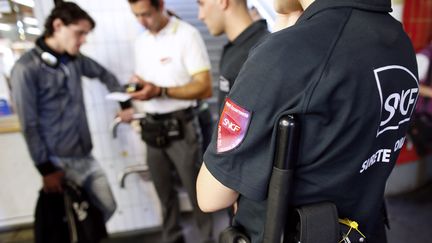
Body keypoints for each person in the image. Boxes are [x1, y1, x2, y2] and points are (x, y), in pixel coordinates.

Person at [196, 0, 419, 242]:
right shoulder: (398, 41)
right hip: (364, 230)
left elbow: (210, 196)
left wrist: (276, 46)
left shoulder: (290, 53)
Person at [10, 2, 132, 223]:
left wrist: (124, 105)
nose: (84, 40)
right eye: (79, 33)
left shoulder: (74, 60)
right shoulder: (26, 69)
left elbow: (106, 75)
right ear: (58, 25)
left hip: (85, 154)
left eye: (86, 34)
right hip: (57, 162)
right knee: (73, 223)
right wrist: (46, 169)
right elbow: (29, 124)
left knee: (106, 207)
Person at [121, 0, 214, 242]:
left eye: (146, 14)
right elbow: (148, 81)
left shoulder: (187, 34)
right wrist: (139, 90)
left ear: (160, 5)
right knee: (163, 192)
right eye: (136, 16)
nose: (142, 21)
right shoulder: (142, 42)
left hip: (181, 125)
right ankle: (173, 238)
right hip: (152, 126)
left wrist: (160, 91)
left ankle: (207, 239)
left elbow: (204, 88)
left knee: (197, 192)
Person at [197, 0, 269, 110]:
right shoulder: (234, 49)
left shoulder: (262, 52)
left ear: (223, 2)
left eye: (202, 4)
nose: (200, 16)